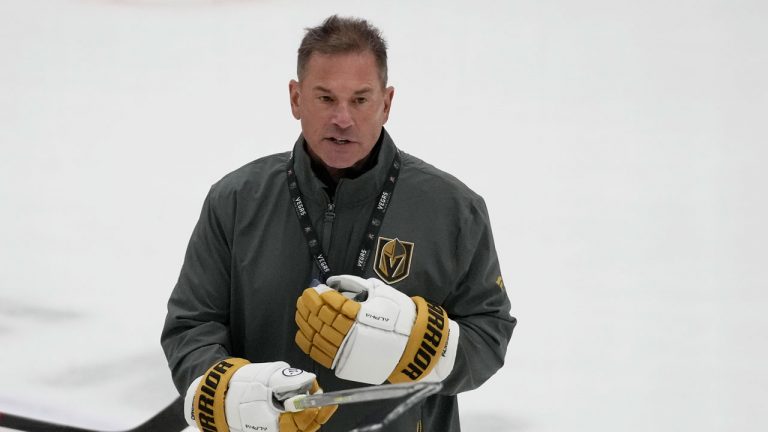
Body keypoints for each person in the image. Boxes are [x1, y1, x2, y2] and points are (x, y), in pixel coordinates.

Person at [161, 15, 516, 432]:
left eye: (360, 100)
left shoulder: (452, 209)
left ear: (386, 103)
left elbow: (489, 334)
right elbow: (191, 326)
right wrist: (232, 390)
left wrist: (431, 349)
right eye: (326, 98)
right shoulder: (236, 201)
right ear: (296, 99)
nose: (342, 119)